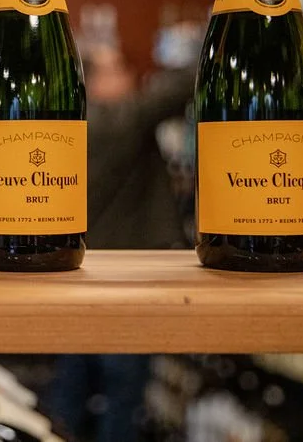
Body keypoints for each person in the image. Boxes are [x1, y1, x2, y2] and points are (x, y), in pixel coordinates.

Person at [44, 43, 194, 442]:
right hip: (126, 279)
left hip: (83, 275)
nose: (128, 77)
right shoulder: (113, 121)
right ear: (91, 81)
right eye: (117, 70)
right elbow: (179, 88)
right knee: (123, 393)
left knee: (73, 383)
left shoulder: (71, 125)